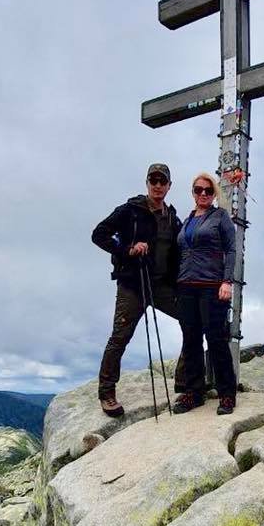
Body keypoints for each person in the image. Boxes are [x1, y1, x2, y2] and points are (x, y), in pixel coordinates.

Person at [92, 164, 184, 417]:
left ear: (169, 186)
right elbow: (99, 234)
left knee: (192, 320)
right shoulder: (130, 210)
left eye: (162, 181)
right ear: (147, 183)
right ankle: (107, 393)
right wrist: (128, 249)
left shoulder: (172, 217)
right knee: (120, 336)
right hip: (133, 283)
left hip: (162, 286)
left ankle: (185, 382)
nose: (157, 185)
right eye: (153, 181)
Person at [173, 171, 237, 416]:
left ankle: (227, 394)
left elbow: (231, 250)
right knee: (190, 341)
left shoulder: (220, 216)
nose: (203, 194)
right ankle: (194, 393)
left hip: (211, 285)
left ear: (214, 194)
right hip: (186, 285)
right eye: (198, 190)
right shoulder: (187, 220)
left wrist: (227, 281)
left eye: (208, 191)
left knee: (216, 339)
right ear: (192, 192)